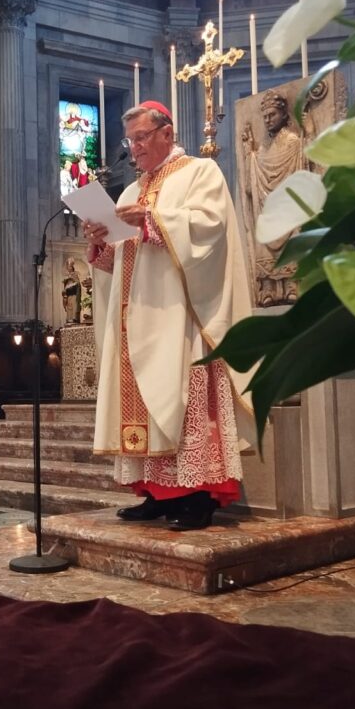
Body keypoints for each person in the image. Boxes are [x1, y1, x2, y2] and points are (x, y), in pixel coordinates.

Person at [83, 100, 254, 531]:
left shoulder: (200, 172)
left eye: (141, 137)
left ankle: (198, 496)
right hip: (134, 317)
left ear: (167, 133)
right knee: (142, 404)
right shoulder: (129, 192)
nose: (135, 148)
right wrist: (101, 243)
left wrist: (154, 218)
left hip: (180, 316)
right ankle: (154, 493)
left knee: (183, 401)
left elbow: (211, 228)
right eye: (130, 141)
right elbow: (121, 260)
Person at [240, 89, 311, 307]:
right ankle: (268, 288)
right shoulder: (262, 148)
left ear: (284, 114)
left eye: (272, 115)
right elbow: (252, 185)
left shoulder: (293, 141)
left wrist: (308, 132)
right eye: (265, 116)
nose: (268, 120)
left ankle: (291, 285)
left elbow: (303, 167)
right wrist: (248, 153)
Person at [61, 258, 82, 324]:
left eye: (70, 267)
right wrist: (65, 289)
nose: (69, 268)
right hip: (68, 294)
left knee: (74, 306)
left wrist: (71, 284)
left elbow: (77, 283)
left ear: (72, 267)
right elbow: (65, 285)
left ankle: (74, 318)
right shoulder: (67, 276)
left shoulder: (75, 274)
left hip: (74, 293)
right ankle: (69, 319)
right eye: (68, 267)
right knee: (69, 306)